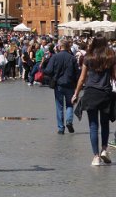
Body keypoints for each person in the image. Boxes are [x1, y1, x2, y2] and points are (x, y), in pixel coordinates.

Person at [72, 33, 116, 166]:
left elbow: (82, 78)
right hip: (105, 93)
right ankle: (104, 149)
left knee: (93, 125)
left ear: (94, 43)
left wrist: (76, 94)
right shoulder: (110, 56)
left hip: (91, 92)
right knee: (105, 123)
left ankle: (96, 157)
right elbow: (115, 75)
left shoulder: (88, 57)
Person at [44, 39, 79, 134]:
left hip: (58, 84)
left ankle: (61, 128)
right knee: (70, 104)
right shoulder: (72, 58)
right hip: (70, 84)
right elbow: (77, 73)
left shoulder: (55, 57)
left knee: (59, 106)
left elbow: (48, 70)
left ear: (59, 47)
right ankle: (69, 121)